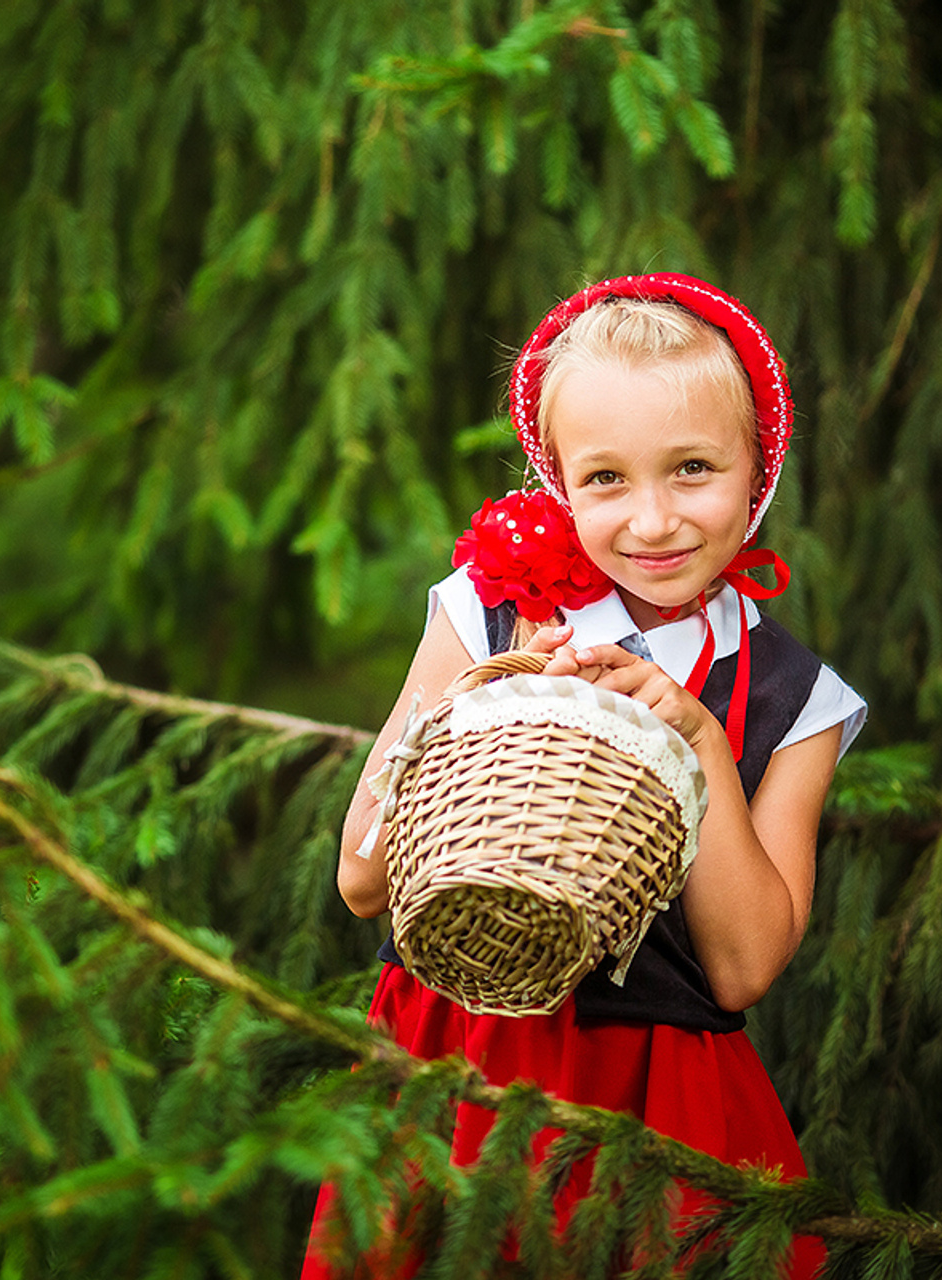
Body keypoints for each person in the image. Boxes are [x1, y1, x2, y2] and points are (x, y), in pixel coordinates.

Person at [300, 273, 867, 1278]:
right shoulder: (491, 608)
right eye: (604, 478)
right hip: (456, 1060)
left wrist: (695, 736)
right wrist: (487, 711)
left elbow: (741, 967)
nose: (651, 521)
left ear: (756, 471)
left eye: (691, 468)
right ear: (556, 477)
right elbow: (359, 877)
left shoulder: (792, 698)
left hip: (657, 1095)